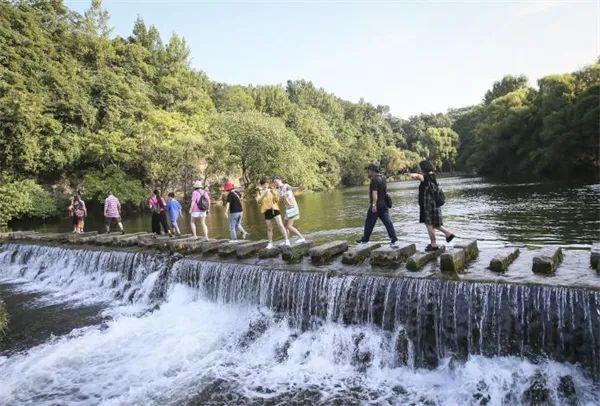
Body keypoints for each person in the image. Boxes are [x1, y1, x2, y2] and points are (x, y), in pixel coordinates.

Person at [409, 160, 455, 251]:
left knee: (429, 224)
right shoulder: (432, 175)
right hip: (433, 203)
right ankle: (447, 235)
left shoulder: (425, 177)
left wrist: (412, 174)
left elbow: (418, 176)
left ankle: (434, 244)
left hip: (428, 205)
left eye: (420, 167)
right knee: (434, 223)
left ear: (423, 168)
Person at [357, 163, 400, 248]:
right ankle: (394, 240)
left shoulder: (375, 180)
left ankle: (365, 240)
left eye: (368, 171)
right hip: (384, 204)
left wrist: (373, 205)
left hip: (377, 204)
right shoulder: (383, 178)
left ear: (372, 171)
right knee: (388, 222)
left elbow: (375, 193)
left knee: (369, 222)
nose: (368, 173)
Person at [256, 177, 289, 249]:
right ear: (261, 185)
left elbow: (277, 200)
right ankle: (270, 243)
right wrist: (264, 194)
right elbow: (258, 201)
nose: (266, 185)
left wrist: (273, 193)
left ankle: (286, 240)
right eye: (264, 184)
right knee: (269, 228)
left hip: (275, 209)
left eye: (267, 183)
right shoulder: (259, 192)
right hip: (267, 211)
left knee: (280, 225)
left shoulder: (272, 190)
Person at [273, 176, 305, 243]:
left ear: (280, 180)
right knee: (285, 226)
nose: (276, 183)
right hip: (288, 209)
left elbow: (292, 188)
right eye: (275, 182)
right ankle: (287, 241)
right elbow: (280, 199)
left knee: (289, 226)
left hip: (293, 207)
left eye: (276, 181)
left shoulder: (285, 186)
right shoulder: (279, 190)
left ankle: (302, 238)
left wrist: (299, 187)